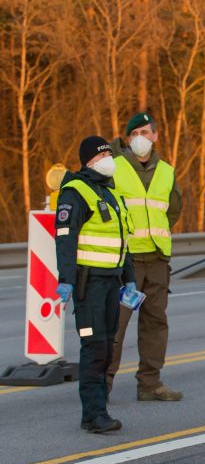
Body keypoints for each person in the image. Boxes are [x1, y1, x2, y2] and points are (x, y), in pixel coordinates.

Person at [55, 136, 136, 433]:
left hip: (112, 282)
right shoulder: (75, 192)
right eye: (103, 155)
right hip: (88, 284)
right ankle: (93, 414)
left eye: (108, 155)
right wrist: (66, 280)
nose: (108, 160)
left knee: (108, 346)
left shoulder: (110, 194)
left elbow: (122, 242)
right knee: (95, 348)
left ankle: (97, 409)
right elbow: (65, 239)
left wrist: (130, 280)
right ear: (90, 160)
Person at [106, 112, 183, 401]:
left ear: (156, 136)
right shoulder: (113, 167)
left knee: (155, 323)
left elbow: (173, 209)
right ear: (128, 139)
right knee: (115, 325)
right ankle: (102, 387)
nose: (141, 138)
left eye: (146, 132)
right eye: (135, 133)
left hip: (157, 260)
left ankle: (150, 384)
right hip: (127, 262)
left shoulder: (166, 170)